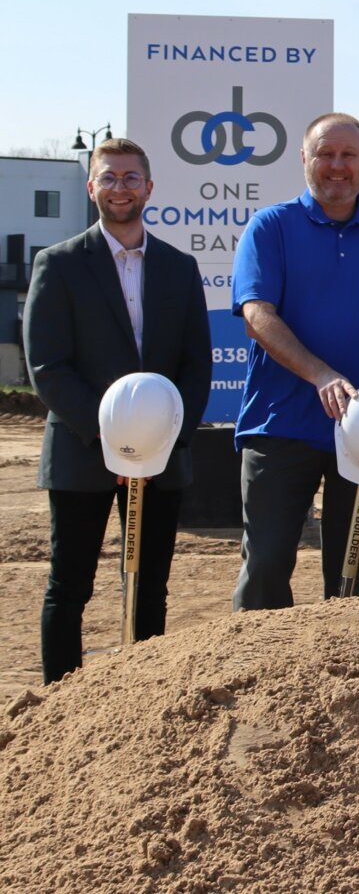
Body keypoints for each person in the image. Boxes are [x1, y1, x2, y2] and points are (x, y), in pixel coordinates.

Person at [23, 138, 211, 682]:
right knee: (70, 585)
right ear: (92, 188)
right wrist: (111, 437)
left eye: (131, 178)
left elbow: (196, 365)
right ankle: (57, 706)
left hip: (161, 459)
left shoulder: (179, 267)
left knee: (149, 584)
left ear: (149, 188)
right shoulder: (56, 265)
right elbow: (48, 367)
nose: (120, 188)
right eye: (109, 178)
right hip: (84, 454)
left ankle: (141, 700)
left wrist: (163, 439)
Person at [229, 113, 359, 609]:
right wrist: (321, 374)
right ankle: (254, 680)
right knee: (266, 566)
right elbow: (257, 315)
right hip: (279, 427)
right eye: (325, 154)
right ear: (304, 159)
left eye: (349, 156)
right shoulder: (271, 227)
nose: (337, 166)